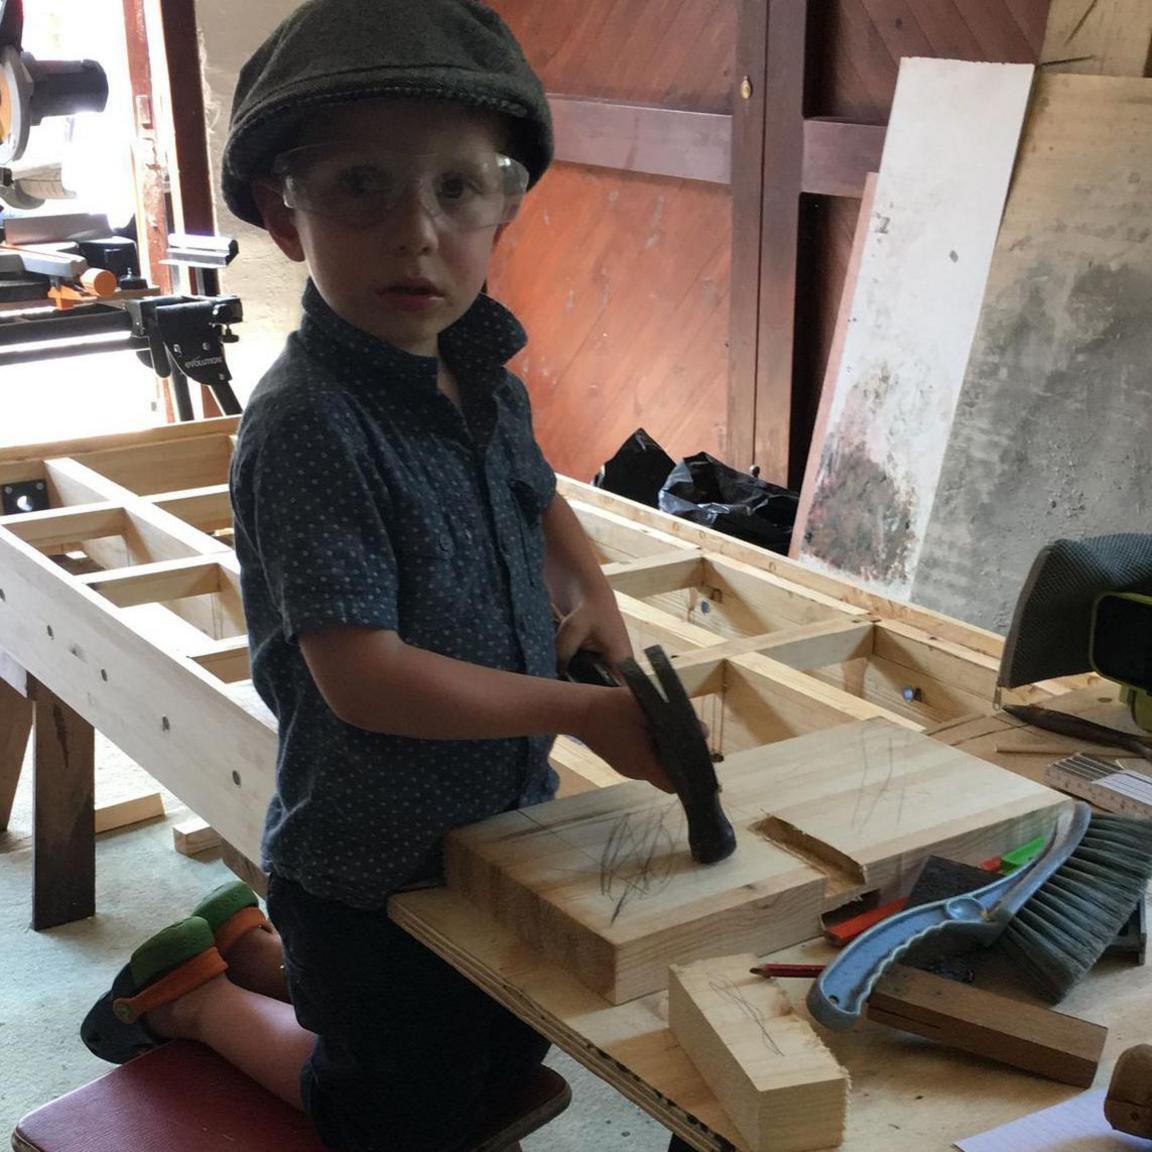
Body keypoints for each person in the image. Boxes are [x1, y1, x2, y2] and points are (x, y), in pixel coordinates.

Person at [81, 2, 674, 1150]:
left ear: (504, 202)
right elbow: (367, 680)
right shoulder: (310, 425)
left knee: (501, 1053)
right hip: (368, 867)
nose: (416, 233)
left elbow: (534, 486)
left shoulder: (478, 366)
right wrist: (592, 711)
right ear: (283, 215)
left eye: (458, 189)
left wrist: (588, 582)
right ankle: (198, 1002)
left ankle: (252, 951)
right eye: (361, 186)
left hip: (501, 826)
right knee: (391, 1110)